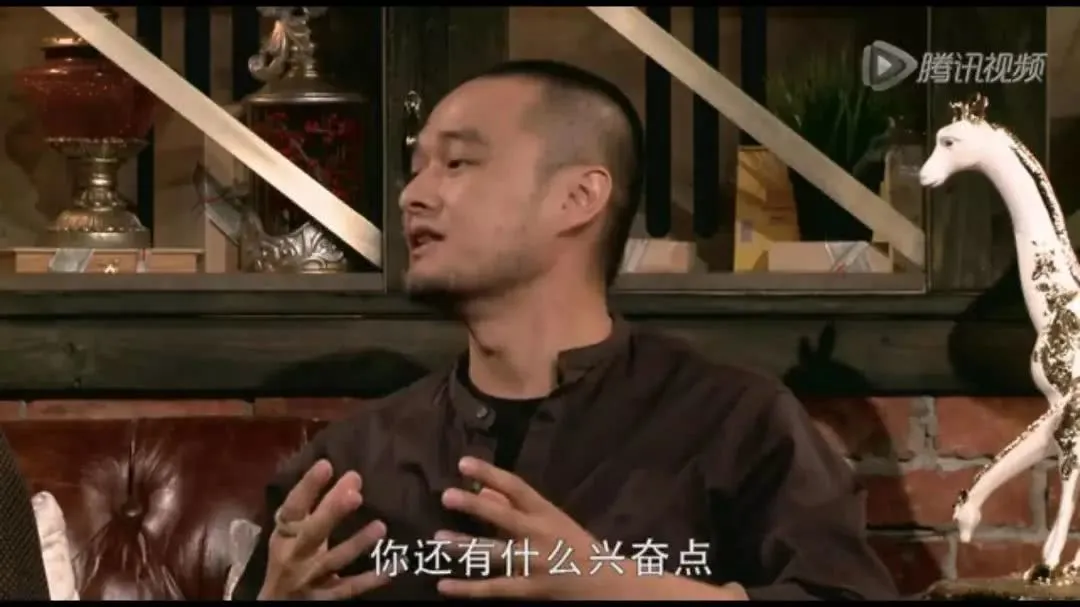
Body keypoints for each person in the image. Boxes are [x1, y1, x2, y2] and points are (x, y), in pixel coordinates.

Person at [233, 59, 899, 601]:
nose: (413, 195)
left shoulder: (734, 425)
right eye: (416, 169)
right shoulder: (354, 463)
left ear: (579, 197)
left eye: (457, 163)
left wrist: (621, 588)